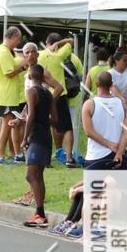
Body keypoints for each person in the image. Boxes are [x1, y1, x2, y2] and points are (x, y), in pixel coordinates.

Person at [20, 63, 57, 228]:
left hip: (36, 138)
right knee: (38, 176)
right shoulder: (49, 94)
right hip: (47, 137)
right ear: (43, 77)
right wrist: (44, 120)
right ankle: (40, 214)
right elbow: (55, 120)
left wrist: (25, 137)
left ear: (29, 76)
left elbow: (31, 116)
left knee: (31, 175)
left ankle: (40, 213)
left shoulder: (31, 91)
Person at [38, 33, 77, 166]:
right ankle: (69, 158)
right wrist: (60, 43)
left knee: (48, 125)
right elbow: (71, 40)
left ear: (46, 42)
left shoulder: (39, 55)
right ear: (57, 44)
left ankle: (48, 155)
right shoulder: (60, 55)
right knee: (67, 128)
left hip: (42, 94)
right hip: (59, 94)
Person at [81, 71, 127, 170]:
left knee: (94, 185)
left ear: (96, 84)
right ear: (112, 84)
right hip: (118, 156)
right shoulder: (123, 105)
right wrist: (119, 153)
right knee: (122, 185)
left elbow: (89, 132)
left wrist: (109, 145)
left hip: (95, 157)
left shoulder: (89, 104)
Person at [0, 26, 27, 164]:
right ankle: (0, 156)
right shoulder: (3, 52)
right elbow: (9, 72)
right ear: (12, 37)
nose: (19, 42)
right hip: (5, 95)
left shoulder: (7, 51)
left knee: (13, 125)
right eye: (18, 39)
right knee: (6, 125)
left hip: (10, 95)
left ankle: (17, 154)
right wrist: (23, 66)